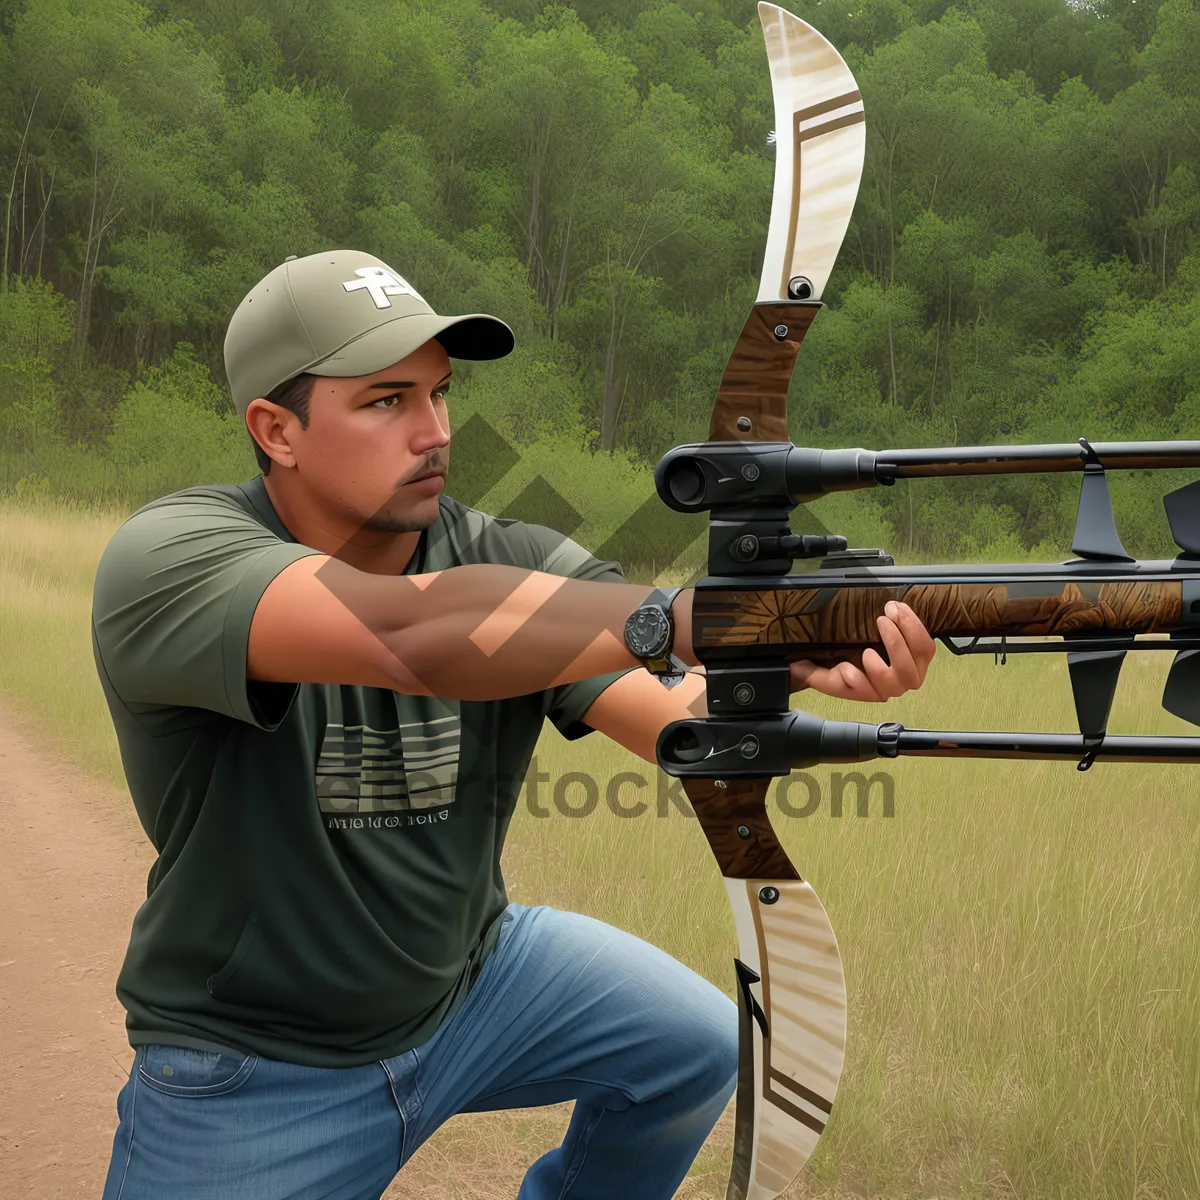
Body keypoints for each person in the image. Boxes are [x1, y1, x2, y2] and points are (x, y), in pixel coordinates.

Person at [93, 249, 935, 1199]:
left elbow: (677, 722)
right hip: (255, 1063)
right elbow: (411, 632)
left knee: (694, 1046)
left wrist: (780, 665)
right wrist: (684, 618)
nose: (434, 431)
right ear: (276, 429)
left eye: (440, 394)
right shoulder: (173, 560)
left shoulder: (512, 554)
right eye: (386, 401)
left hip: (474, 988)